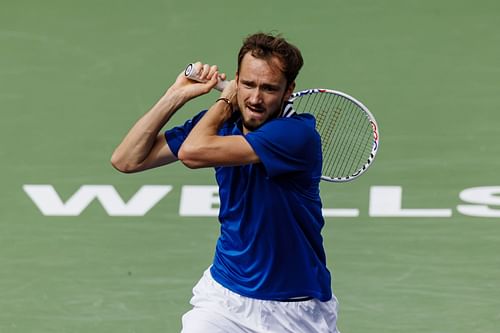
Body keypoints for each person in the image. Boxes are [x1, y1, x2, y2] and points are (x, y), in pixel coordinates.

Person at [111, 32, 340, 333]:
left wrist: (225, 100)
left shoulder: (296, 136)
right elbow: (126, 159)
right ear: (236, 78)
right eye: (247, 84)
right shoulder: (217, 125)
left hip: (295, 309)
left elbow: (193, 152)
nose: (255, 98)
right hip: (224, 300)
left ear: (288, 91)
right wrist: (176, 95)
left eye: (269, 88)